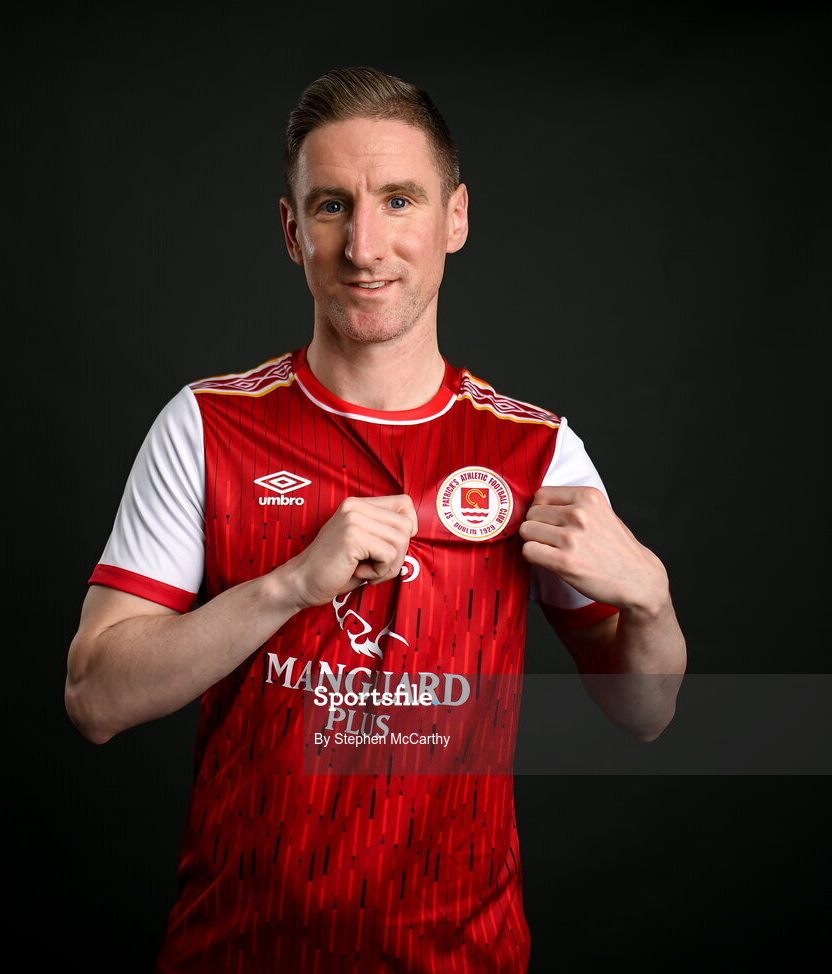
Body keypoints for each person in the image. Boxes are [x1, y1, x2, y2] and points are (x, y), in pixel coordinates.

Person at [65, 66, 687, 973]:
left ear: (456, 220)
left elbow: (647, 713)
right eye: (330, 206)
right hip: (238, 951)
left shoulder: (536, 452)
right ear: (291, 231)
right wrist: (283, 588)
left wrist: (654, 602)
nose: (365, 246)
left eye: (399, 200)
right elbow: (94, 700)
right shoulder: (207, 426)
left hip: (460, 957)